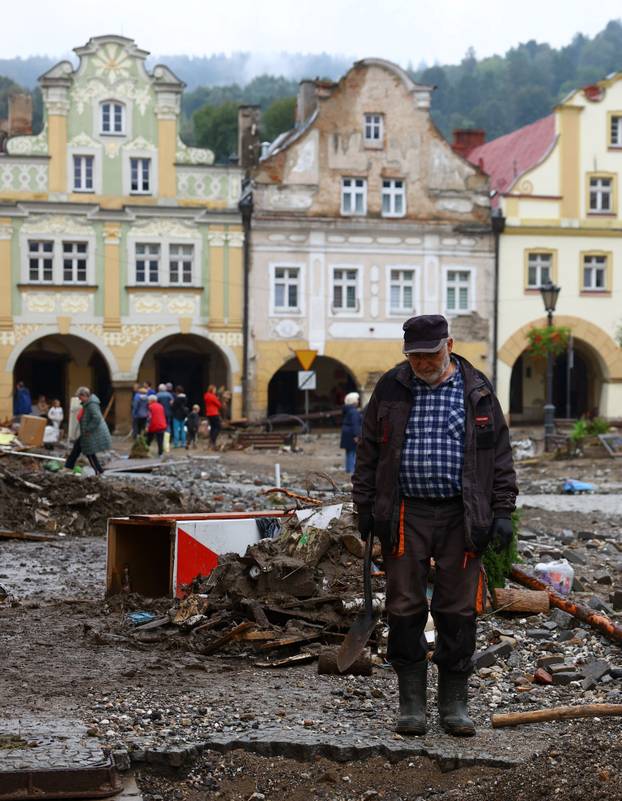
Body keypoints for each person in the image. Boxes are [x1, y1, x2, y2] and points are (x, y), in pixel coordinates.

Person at [352, 315, 517, 738]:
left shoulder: (476, 390)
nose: (422, 363)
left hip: (462, 513)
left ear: (449, 345)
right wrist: (365, 506)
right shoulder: (391, 387)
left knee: (457, 609)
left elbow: (499, 454)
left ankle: (454, 703)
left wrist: (502, 512)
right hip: (406, 512)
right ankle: (411, 704)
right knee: (404, 605)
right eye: (415, 356)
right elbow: (368, 450)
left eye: (430, 354)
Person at [65, 387, 111, 475]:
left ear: (84, 395)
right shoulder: (87, 404)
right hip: (87, 432)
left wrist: (88, 429)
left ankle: (98, 471)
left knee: (89, 452)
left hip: (91, 432)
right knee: (77, 448)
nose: (79, 399)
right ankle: (68, 467)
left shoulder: (91, 405)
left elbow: (96, 418)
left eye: (80, 397)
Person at [340, 391, 362, 473]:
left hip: (346, 433)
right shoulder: (354, 412)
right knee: (352, 452)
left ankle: (348, 469)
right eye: (357, 400)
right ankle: (351, 470)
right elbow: (355, 424)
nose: (358, 401)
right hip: (351, 434)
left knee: (349, 452)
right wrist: (356, 435)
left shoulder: (348, 410)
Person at [203, 384, 222, 448]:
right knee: (218, 427)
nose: (215, 391)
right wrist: (217, 399)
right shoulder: (212, 396)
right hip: (214, 413)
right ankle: (213, 440)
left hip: (209, 414)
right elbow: (219, 405)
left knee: (213, 428)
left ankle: (211, 441)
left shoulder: (206, 395)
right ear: (212, 390)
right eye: (214, 389)